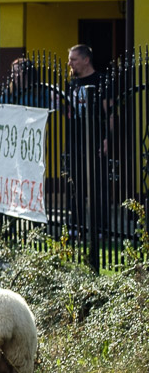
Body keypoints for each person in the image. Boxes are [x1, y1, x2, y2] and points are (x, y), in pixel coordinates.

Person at [65, 44, 111, 234]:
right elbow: (68, 112)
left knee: (97, 185)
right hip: (75, 140)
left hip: (96, 139)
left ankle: (100, 227)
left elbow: (110, 112)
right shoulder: (71, 84)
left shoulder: (101, 81)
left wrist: (108, 138)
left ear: (86, 60)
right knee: (75, 183)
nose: (70, 63)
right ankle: (76, 224)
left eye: (73, 59)